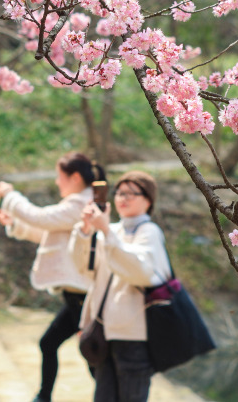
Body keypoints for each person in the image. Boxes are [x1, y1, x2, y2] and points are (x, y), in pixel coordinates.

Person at [0, 152, 102, 402]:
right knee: (55, 344)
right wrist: (14, 223)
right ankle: (44, 397)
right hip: (76, 292)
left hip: (81, 294)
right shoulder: (79, 203)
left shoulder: (80, 205)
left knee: (91, 353)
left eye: (59, 176)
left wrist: (10, 195)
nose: (56, 182)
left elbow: (39, 218)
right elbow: (48, 234)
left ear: (74, 178)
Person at [69, 171, 171, 402]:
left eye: (131, 193)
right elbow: (83, 267)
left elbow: (141, 272)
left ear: (148, 200)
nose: (123, 198)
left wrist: (105, 231)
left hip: (135, 337)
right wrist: (85, 230)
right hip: (106, 333)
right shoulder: (112, 230)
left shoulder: (149, 233)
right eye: (119, 193)